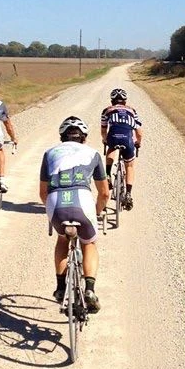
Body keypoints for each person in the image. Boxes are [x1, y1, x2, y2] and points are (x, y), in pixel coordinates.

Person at [39, 116, 109, 313]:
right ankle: (89, 289)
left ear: (62, 137)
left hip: (56, 202)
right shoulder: (93, 153)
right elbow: (104, 193)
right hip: (83, 201)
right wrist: (96, 212)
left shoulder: (49, 153)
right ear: (84, 138)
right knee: (89, 243)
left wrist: (53, 213)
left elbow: (43, 193)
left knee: (62, 239)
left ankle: (61, 288)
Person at [100, 87, 143, 210]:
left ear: (112, 100)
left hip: (113, 136)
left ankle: (107, 174)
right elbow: (139, 132)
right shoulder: (132, 111)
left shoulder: (107, 110)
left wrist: (105, 140)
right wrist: (138, 143)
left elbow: (104, 130)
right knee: (129, 165)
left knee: (111, 149)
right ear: (125, 100)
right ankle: (128, 193)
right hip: (127, 139)